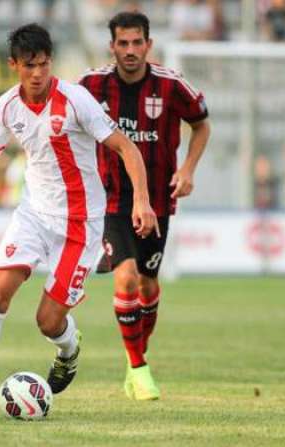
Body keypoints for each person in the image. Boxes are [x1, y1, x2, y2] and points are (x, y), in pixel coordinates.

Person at [0, 23, 158, 418]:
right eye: (30, 65)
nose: (39, 73)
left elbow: (125, 147)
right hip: (33, 214)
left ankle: (68, 350)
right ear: (14, 64)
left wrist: (141, 200)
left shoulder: (76, 100)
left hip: (80, 225)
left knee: (48, 321)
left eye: (45, 64)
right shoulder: (7, 106)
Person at [79, 11, 210, 400]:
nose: (131, 50)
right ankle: (138, 367)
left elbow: (202, 123)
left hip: (158, 202)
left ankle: (136, 358)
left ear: (149, 45)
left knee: (149, 287)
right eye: (124, 43)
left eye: (138, 43)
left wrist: (187, 168)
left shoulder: (171, 85)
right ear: (112, 46)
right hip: (111, 200)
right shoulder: (90, 85)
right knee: (127, 279)